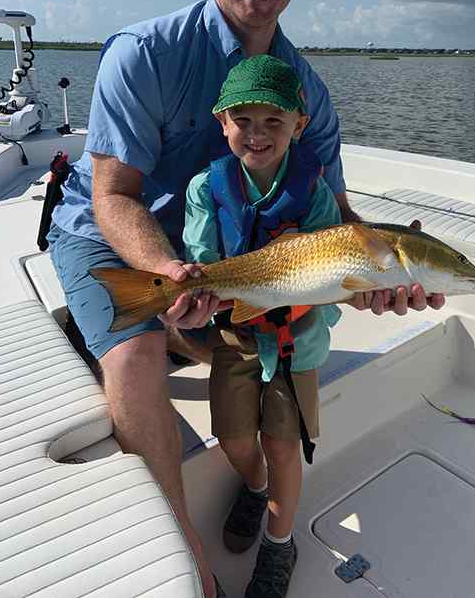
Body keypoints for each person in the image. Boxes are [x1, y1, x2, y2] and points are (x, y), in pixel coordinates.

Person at [47, 0, 445, 598]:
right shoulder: (146, 54)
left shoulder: (307, 93)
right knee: (138, 354)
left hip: (231, 262)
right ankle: (192, 570)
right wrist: (170, 271)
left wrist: (385, 271)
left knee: (257, 357)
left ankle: (261, 491)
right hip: (114, 234)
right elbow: (112, 195)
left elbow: (339, 217)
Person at [182, 53, 342, 597]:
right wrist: (194, 296)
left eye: (274, 120)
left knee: (282, 446)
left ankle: (280, 542)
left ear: (299, 126)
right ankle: (253, 488)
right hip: (235, 332)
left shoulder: (315, 194)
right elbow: (202, 257)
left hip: (298, 342)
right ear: (222, 123)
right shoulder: (206, 189)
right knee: (231, 438)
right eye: (243, 120)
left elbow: (333, 270)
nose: (257, 133)